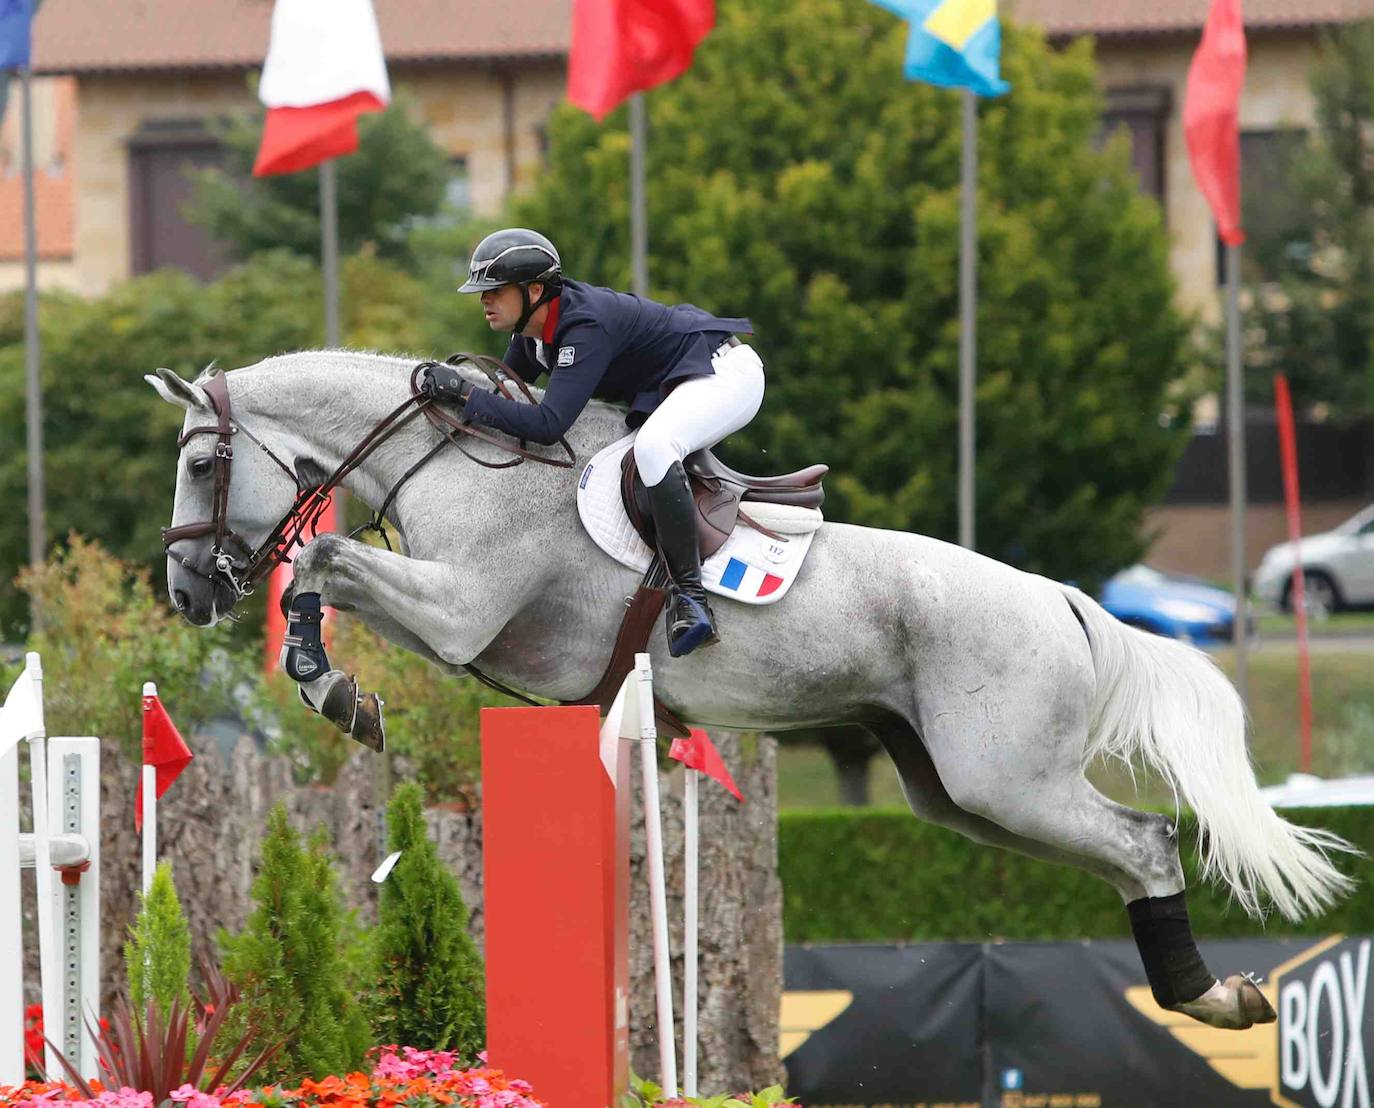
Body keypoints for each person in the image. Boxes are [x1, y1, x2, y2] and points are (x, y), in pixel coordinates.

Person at [417, 227, 764, 658]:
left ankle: (690, 599)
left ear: (535, 291)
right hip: (681, 380)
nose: (484, 299)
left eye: (495, 290)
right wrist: (451, 398)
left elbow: (547, 425)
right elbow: (503, 394)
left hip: (722, 374)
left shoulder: (584, 326)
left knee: (655, 447)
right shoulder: (532, 331)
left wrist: (466, 396)